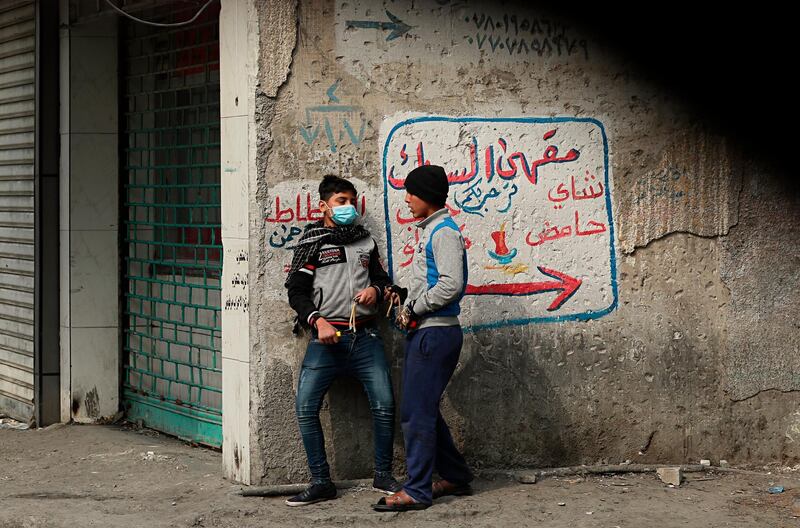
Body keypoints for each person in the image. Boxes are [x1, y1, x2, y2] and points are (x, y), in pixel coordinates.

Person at [285, 175, 401, 506]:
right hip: (326, 340)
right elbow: (296, 291)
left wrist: (376, 291)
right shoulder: (313, 243)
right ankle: (321, 482)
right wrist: (316, 321)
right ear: (323, 206)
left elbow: (383, 281)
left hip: (364, 337)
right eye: (341, 201)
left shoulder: (366, 243)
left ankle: (382, 474)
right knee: (306, 408)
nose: (348, 207)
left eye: (352, 201)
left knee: (384, 404)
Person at [374, 165, 473, 512]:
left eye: (411, 193)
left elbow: (450, 284)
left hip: (435, 334)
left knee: (416, 412)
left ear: (426, 196)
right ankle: (455, 474)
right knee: (425, 408)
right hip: (428, 331)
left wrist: (414, 307)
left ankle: (417, 489)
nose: (407, 199)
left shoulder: (443, 232)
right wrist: (402, 296)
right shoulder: (432, 229)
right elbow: (431, 280)